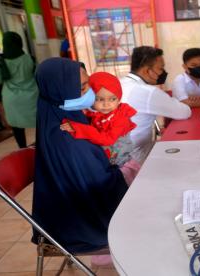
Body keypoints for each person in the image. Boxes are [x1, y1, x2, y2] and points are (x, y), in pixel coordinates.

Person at [33, 58, 128, 265]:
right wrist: (125, 171)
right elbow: (99, 183)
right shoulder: (65, 135)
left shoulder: (58, 115)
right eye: (83, 87)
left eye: (88, 84)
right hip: (81, 223)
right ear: (60, 91)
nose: (90, 93)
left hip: (73, 209)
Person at [60, 71, 140, 184]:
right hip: (109, 165)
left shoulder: (120, 117)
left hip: (123, 168)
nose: (106, 104)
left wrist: (79, 128)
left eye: (112, 99)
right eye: (100, 99)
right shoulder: (95, 114)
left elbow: (108, 139)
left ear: (119, 98)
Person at [120, 46, 191, 163]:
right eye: (160, 68)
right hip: (135, 161)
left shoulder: (120, 82)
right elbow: (184, 112)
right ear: (146, 71)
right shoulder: (147, 91)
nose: (163, 73)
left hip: (115, 154)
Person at [0, 32, 38, 148]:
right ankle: (41, 145)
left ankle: (22, 149)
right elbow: (38, 75)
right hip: (32, 97)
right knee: (38, 122)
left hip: (12, 99)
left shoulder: (0, 61)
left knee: (17, 126)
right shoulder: (30, 58)